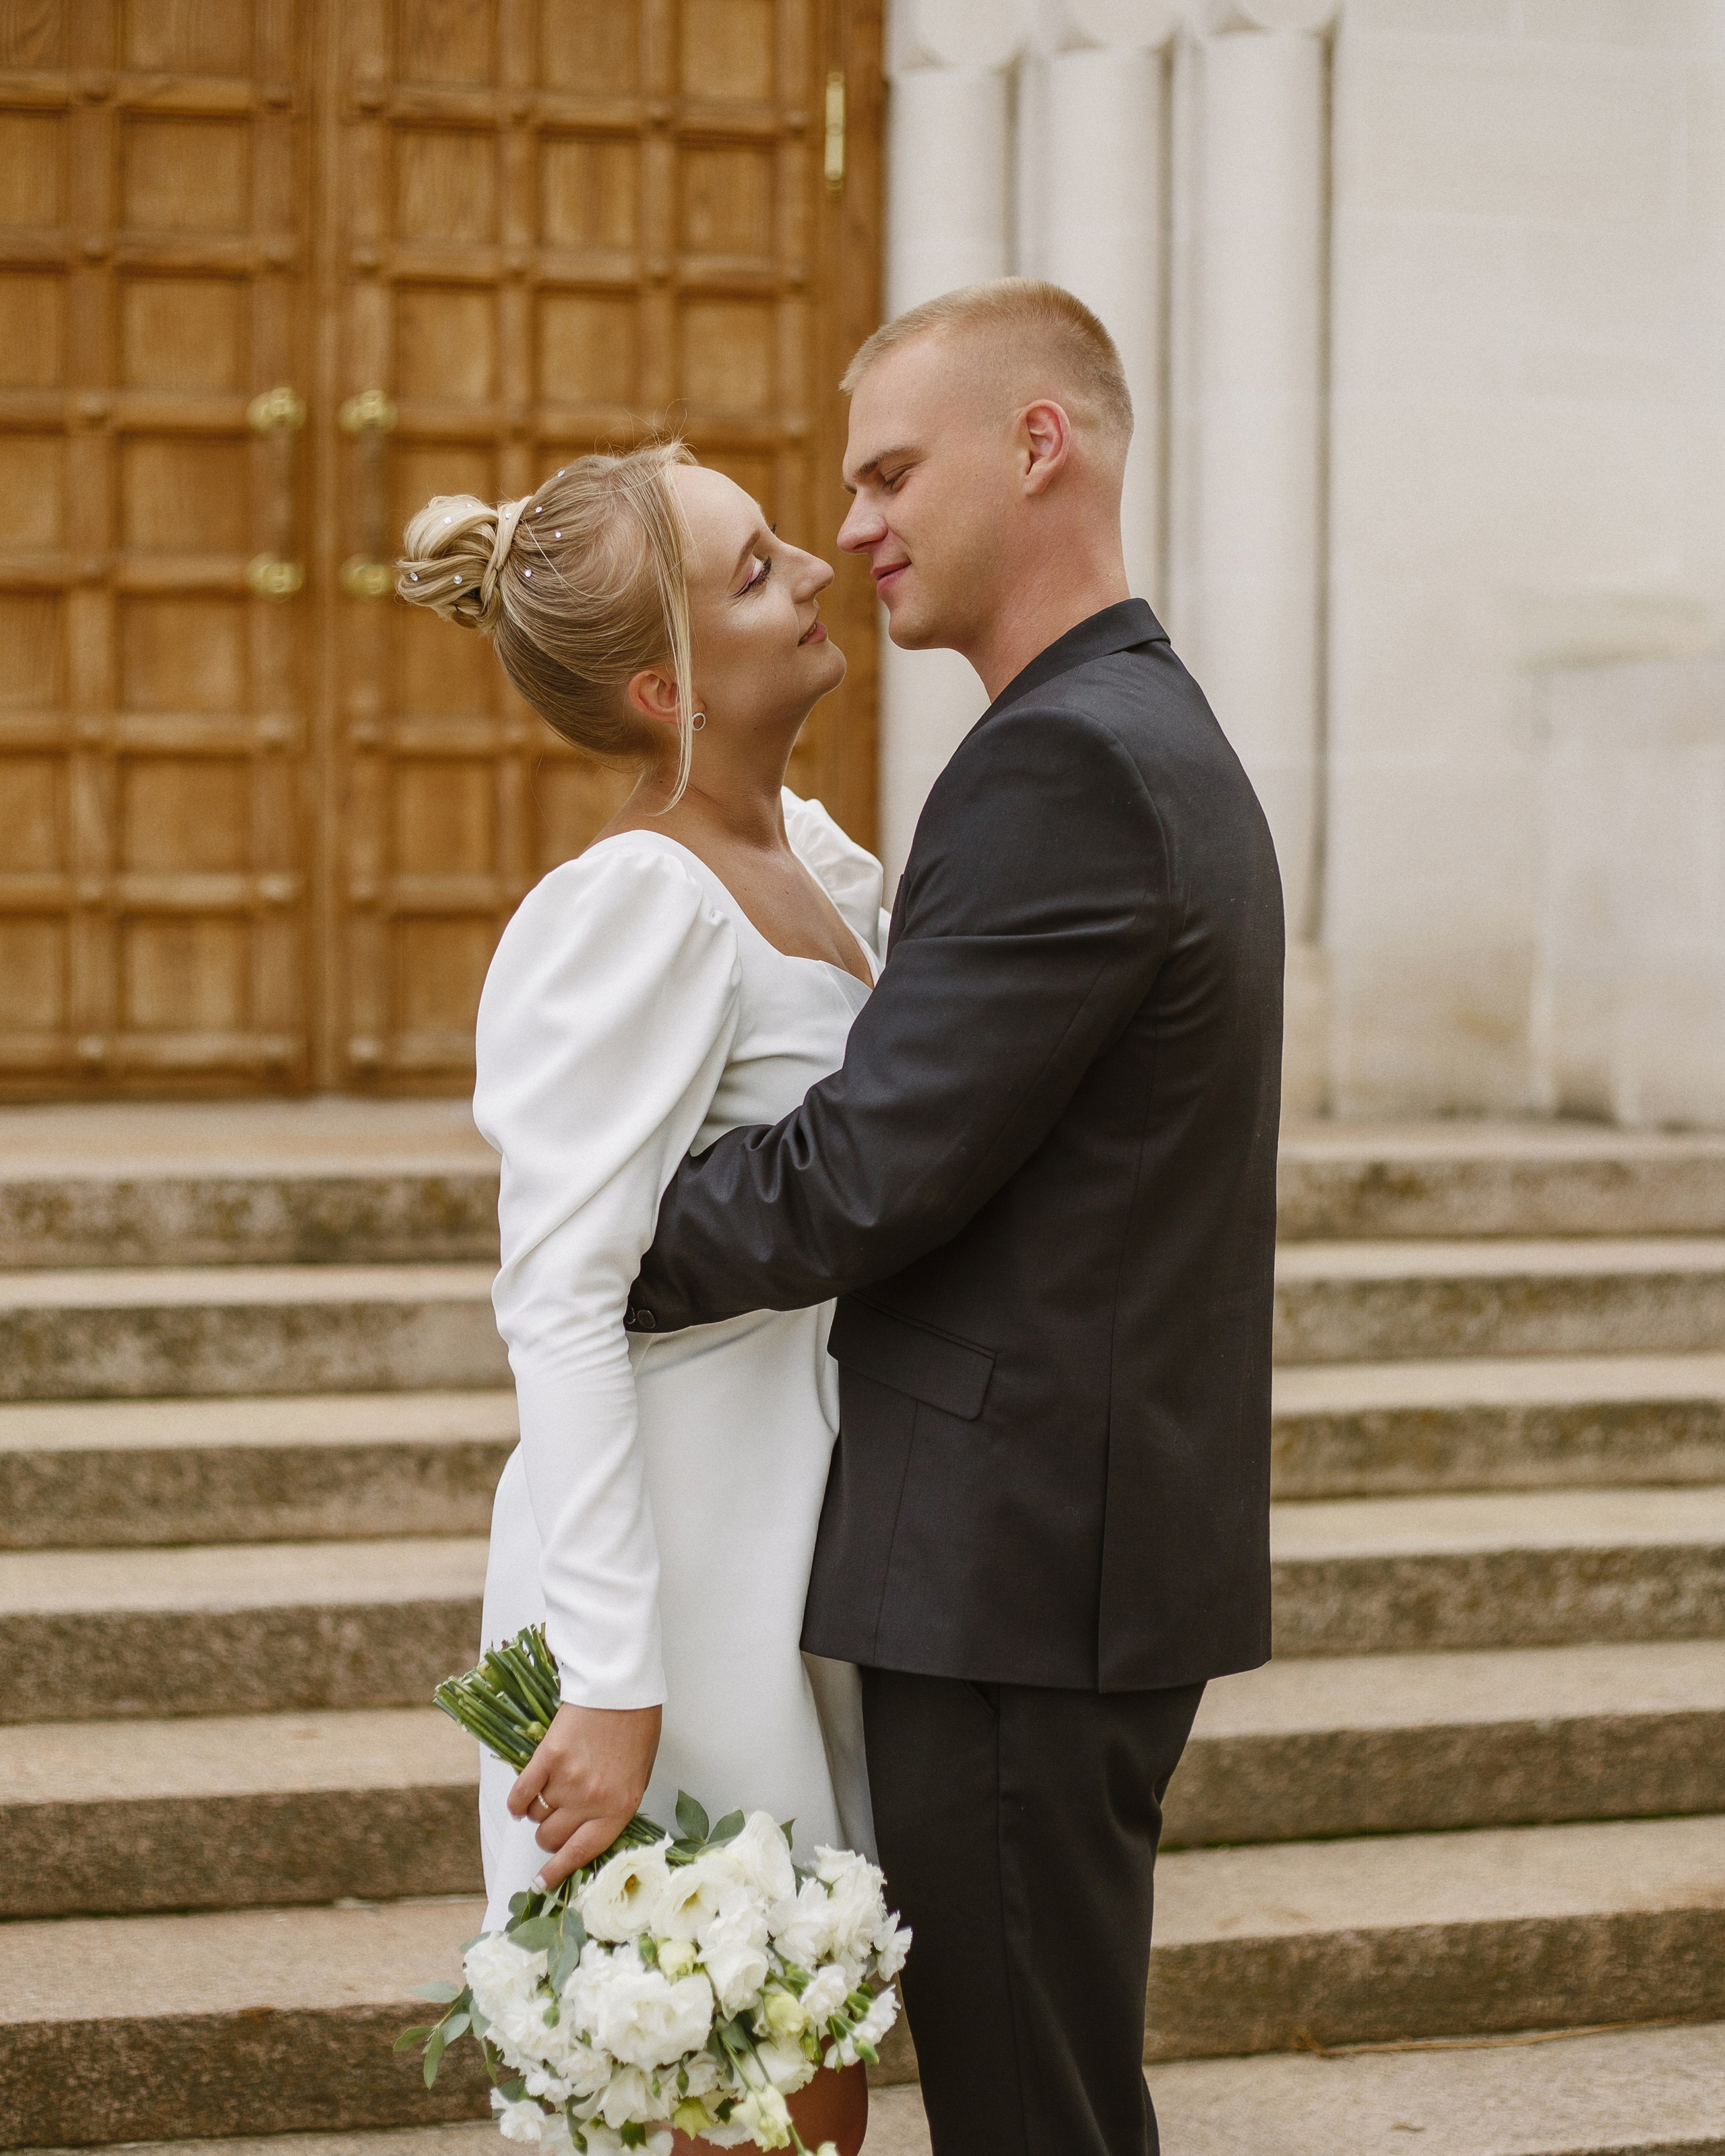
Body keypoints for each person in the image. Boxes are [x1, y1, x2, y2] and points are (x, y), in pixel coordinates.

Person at [625, 280, 1285, 2156]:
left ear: (1040, 444)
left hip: (1018, 1579)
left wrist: (601, 1233)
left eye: (892, 472)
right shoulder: (1137, 729)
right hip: (1065, 1556)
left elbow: (868, 1172)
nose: (852, 528)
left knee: (1030, 2119)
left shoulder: (1066, 762)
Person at [396, 442, 878, 2153]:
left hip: (796, 1529)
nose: (814, 567)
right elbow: (562, 1298)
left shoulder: (815, 858)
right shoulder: (625, 910)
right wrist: (610, 1675)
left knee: (819, 2055)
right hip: (667, 1573)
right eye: (756, 570)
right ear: (666, 683)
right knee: (749, 2078)